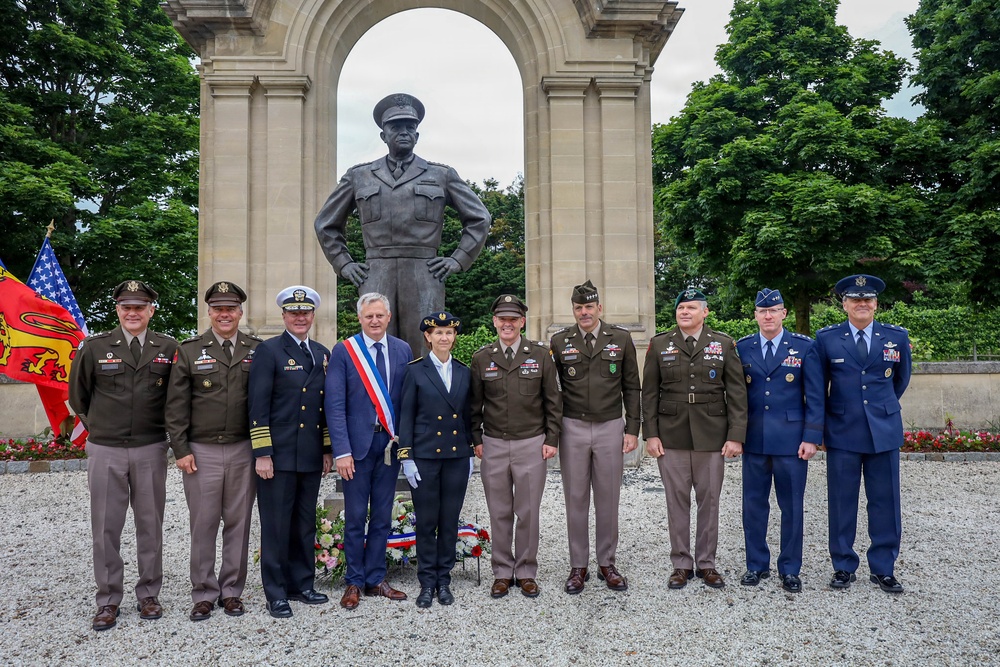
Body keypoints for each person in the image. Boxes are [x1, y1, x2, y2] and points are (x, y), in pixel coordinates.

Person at [314, 92, 492, 358]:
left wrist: (458, 259)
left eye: (410, 127)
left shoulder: (441, 175)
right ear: (383, 135)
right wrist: (344, 263)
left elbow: (480, 218)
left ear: (417, 136)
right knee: (376, 345)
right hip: (376, 270)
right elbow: (326, 223)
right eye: (396, 127)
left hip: (425, 271)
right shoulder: (359, 176)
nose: (404, 132)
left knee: (423, 345)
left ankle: (419, 400)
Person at [68, 280, 178, 631]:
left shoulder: (169, 347)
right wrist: (103, 428)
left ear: (151, 310)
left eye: (140, 306)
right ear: (117, 309)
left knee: (150, 524)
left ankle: (148, 593)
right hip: (106, 449)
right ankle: (108, 599)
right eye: (126, 306)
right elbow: (78, 397)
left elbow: (175, 399)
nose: (133, 312)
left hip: (150, 447)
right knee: (106, 527)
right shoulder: (95, 347)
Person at [166, 281, 260, 620]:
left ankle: (232, 591)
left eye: (230, 308)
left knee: (239, 522)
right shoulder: (190, 350)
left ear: (240, 312)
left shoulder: (256, 349)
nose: (225, 314)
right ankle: (204, 593)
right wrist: (180, 448)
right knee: (203, 524)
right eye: (218, 308)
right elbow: (176, 406)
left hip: (243, 449)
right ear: (209, 312)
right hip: (201, 451)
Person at [642, 288, 747, 589]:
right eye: (680, 308)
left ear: (705, 312)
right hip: (671, 435)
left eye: (690, 308)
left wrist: (735, 436)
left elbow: (737, 394)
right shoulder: (660, 343)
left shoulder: (723, 344)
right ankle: (681, 564)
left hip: (712, 435)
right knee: (676, 502)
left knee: (709, 501)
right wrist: (650, 434)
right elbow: (649, 393)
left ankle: (706, 563)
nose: (684, 312)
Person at [814, 274, 911, 593]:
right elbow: (820, 387)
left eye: (867, 299)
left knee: (885, 501)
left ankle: (883, 567)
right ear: (844, 304)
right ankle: (843, 565)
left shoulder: (895, 337)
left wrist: (879, 409)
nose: (862, 304)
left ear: (876, 304)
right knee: (842, 502)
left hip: (883, 430)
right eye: (855, 299)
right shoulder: (827, 339)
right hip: (842, 430)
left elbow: (900, 380)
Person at [549, 280, 640, 594]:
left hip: (610, 426)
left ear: (599, 308)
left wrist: (633, 430)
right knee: (575, 499)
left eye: (589, 307)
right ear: (573, 310)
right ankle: (578, 566)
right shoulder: (560, 341)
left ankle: (607, 563)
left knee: (607, 498)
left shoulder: (621, 338)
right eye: (578, 308)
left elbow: (632, 387)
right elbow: (553, 391)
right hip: (572, 426)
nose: (584, 312)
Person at [248, 286, 333, 619]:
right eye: (294, 313)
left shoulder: (322, 352)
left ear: (313, 316)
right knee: (275, 525)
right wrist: (262, 452)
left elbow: (323, 408)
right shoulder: (269, 351)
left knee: (303, 523)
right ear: (284, 316)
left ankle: (302, 584)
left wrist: (326, 449)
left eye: (306, 312)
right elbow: (258, 406)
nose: (300, 318)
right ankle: (276, 592)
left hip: (310, 455)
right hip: (278, 456)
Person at [470, 294, 562, 598]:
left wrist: (552, 439)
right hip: (494, 444)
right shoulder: (482, 357)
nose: (507, 324)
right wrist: (476, 439)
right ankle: (502, 571)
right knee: (499, 511)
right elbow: (474, 405)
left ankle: (525, 570)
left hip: (531, 444)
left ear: (522, 322)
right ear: (495, 321)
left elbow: (553, 400)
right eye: (502, 319)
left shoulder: (540, 354)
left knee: (528, 511)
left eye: (513, 319)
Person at [326, 293, 413, 610]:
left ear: (388, 317)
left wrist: (409, 447)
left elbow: (406, 401)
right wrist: (341, 451)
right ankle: (354, 580)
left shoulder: (403, 350)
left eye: (379, 315)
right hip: (356, 447)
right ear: (359, 318)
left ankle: (376, 579)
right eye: (368, 316)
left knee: (381, 516)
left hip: (389, 445)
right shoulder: (345, 351)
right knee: (355, 517)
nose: (374, 321)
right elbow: (334, 405)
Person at [735, 288, 824, 593]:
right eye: (762, 311)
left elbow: (814, 395)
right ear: (756, 315)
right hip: (755, 440)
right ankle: (756, 565)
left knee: (792, 506)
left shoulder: (803, 347)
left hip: (791, 442)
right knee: (754, 506)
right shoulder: (743, 348)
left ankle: (790, 568)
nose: (768, 316)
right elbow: (736, 397)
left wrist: (812, 437)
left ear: (784, 313)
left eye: (773, 311)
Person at [397, 311, 474, 608]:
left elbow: (468, 416)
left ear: (455, 337)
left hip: (455, 456)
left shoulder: (465, 372)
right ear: (427, 337)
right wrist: (407, 457)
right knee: (427, 522)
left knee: (449, 521)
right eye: (438, 333)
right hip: (426, 458)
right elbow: (407, 417)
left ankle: (445, 580)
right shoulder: (415, 371)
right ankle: (426, 582)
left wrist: (469, 451)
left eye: (449, 333)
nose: (444, 337)